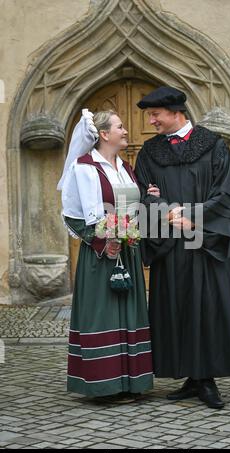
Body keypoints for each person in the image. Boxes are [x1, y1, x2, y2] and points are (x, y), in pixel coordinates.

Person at [134, 86, 230, 409]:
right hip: (170, 247)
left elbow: (229, 195)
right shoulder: (150, 152)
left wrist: (194, 217)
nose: (151, 121)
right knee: (177, 309)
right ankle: (190, 376)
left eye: (155, 115)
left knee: (207, 308)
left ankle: (207, 379)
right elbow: (143, 192)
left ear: (176, 112)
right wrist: (165, 211)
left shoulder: (213, 146)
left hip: (205, 243)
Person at [57, 109, 158, 400]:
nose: (126, 131)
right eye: (120, 126)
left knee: (129, 312)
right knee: (103, 315)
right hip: (100, 257)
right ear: (103, 134)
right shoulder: (84, 167)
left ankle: (132, 382)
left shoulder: (126, 167)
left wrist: (147, 195)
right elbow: (72, 215)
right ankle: (104, 384)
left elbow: (131, 207)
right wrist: (102, 241)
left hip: (127, 252)